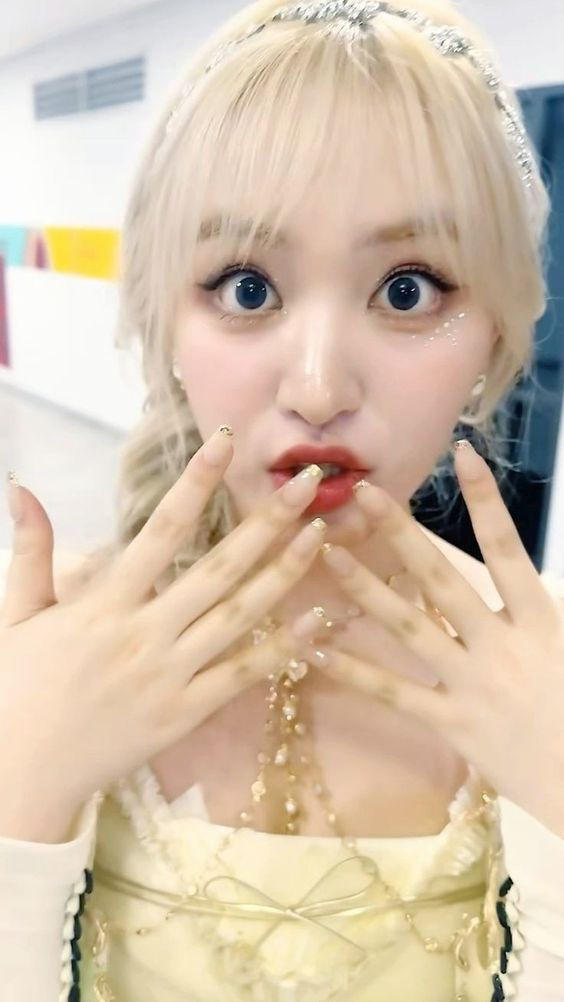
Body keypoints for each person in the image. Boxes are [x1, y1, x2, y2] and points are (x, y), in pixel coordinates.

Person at [1, 0, 564, 998]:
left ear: (494, 335)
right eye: (247, 286)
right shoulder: (43, 650)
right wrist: (19, 801)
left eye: (408, 289)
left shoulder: (543, 676)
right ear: (164, 320)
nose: (317, 388)